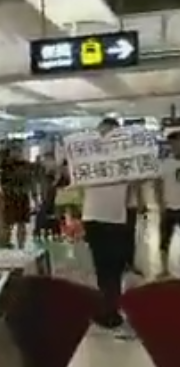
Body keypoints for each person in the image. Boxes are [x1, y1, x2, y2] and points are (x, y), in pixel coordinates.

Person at [81, 117, 137, 339]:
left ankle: (111, 311)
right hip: (94, 217)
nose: (104, 138)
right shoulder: (89, 159)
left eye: (109, 133)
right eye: (101, 133)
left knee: (112, 268)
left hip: (116, 218)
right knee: (103, 268)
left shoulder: (129, 160)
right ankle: (108, 308)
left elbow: (134, 193)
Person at [153, 131, 180, 278]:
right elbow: (158, 184)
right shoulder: (165, 164)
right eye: (173, 144)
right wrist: (160, 203)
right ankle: (164, 269)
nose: (175, 147)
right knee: (164, 240)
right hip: (169, 207)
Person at [0, 144, 32, 249]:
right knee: (7, 223)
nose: (16, 154)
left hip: (22, 196)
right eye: (14, 151)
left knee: (21, 223)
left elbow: (30, 181)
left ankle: (21, 245)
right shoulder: (4, 166)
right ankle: (5, 244)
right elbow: (0, 181)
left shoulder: (26, 165)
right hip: (9, 196)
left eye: (18, 151)